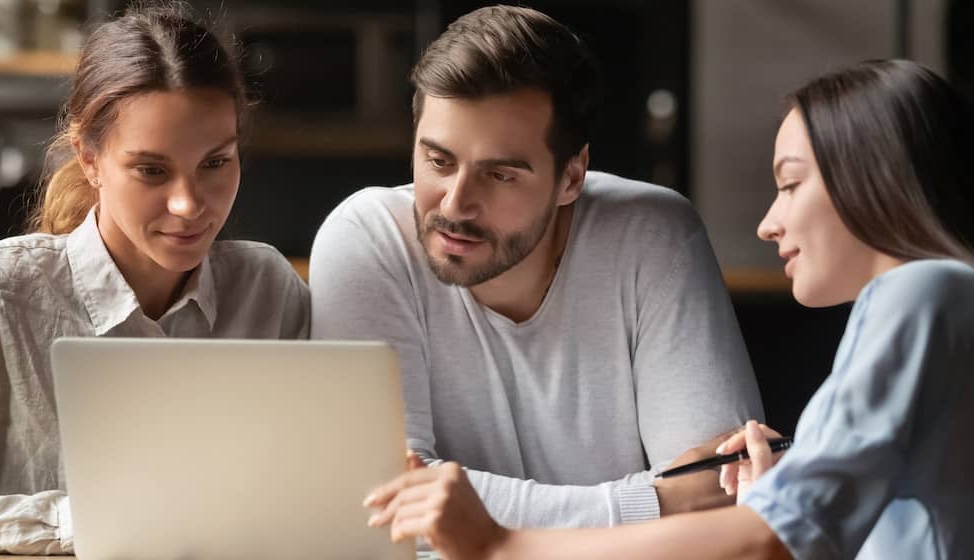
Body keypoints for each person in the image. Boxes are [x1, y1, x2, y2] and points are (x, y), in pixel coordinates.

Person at [363, 58, 974, 559]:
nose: (769, 224)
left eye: (791, 185)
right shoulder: (970, 303)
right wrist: (770, 500)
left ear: (873, 180)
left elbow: (766, 542)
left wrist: (503, 545)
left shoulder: (924, 294)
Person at [0, 4, 309, 557]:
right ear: (89, 158)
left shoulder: (269, 289)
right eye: (152, 170)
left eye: (215, 163)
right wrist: (83, 520)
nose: (188, 203)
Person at [310, 4, 762, 529]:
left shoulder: (654, 234)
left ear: (572, 177)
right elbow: (384, 503)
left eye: (499, 175)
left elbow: (723, 495)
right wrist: (655, 502)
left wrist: (462, 511)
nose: (455, 205)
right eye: (438, 161)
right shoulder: (368, 239)